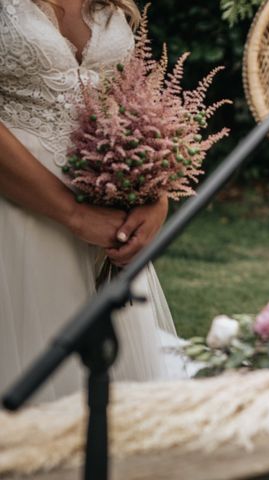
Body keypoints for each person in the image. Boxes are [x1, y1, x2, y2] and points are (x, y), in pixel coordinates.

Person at [0, 0, 185, 404]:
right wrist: (74, 214)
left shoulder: (111, 5)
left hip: (106, 224)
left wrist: (156, 197)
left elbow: (135, 101)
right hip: (17, 217)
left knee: (111, 397)